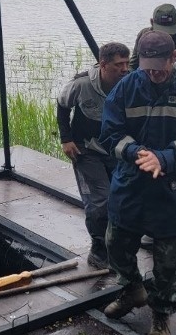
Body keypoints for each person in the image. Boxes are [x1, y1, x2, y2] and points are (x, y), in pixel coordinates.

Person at [100, 30, 176, 335]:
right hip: (132, 182)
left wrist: (163, 159)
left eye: (159, 68)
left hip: (174, 189)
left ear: (174, 57)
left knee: (169, 260)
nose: (153, 74)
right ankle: (131, 288)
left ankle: (161, 315)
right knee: (115, 243)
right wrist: (138, 153)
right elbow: (110, 132)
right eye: (147, 68)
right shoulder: (128, 86)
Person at [56, 42, 131, 270]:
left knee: (121, 198)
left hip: (116, 149)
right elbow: (62, 105)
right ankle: (98, 250)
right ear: (104, 65)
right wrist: (66, 139)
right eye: (119, 65)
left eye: (127, 63)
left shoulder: (129, 83)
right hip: (86, 149)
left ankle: (117, 244)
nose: (125, 69)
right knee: (100, 201)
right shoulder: (82, 83)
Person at [129, 3, 176, 77]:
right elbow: (133, 66)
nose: (165, 36)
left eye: (169, 32)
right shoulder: (142, 37)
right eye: (161, 31)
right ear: (152, 22)